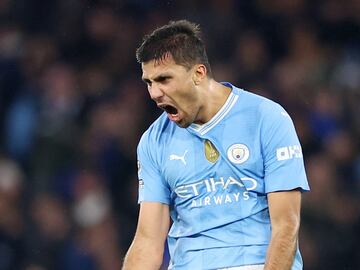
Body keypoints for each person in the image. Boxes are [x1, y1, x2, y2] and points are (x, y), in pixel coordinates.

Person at [122, 20, 310, 270]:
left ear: (198, 74)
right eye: (149, 82)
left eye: (164, 79)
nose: (155, 93)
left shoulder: (266, 118)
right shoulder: (153, 140)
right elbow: (147, 241)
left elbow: (286, 225)